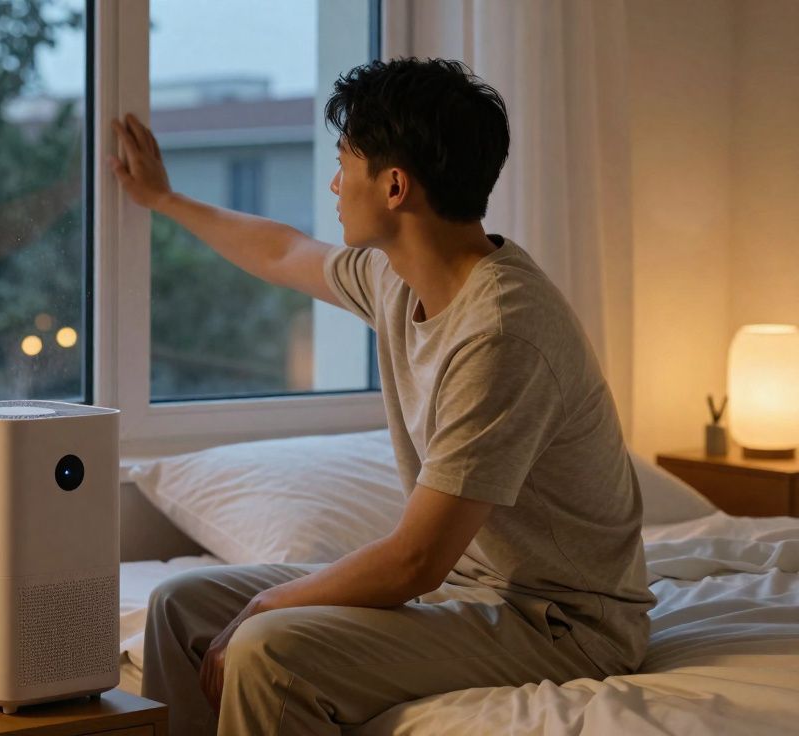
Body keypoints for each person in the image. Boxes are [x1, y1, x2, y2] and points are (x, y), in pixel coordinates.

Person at [108, 58, 656, 735]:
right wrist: (164, 199)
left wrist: (266, 605)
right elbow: (283, 253)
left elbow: (414, 561)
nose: (335, 184)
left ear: (395, 186)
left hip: (561, 621)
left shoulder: (504, 332)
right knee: (179, 605)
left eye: (346, 163)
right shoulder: (400, 279)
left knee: (266, 649)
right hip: (468, 590)